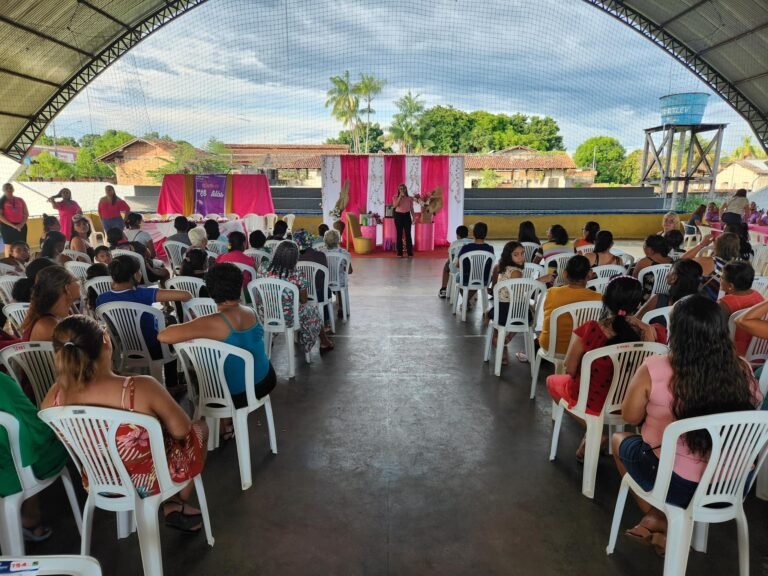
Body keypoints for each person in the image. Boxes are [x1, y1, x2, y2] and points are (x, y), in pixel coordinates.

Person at [613, 295, 762, 555]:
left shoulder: (655, 368)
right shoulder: (743, 369)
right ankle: (661, 520)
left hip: (680, 485)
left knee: (619, 440)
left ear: (676, 332)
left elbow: (630, 416)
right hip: (733, 485)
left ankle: (659, 518)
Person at [41, 315, 209, 533]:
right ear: (106, 342)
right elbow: (182, 430)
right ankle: (175, 501)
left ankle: (171, 503)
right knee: (200, 429)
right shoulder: (139, 388)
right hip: (149, 481)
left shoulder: (54, 396)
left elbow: (54, 432)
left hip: (99, 481)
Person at [547, 276, 666, 460]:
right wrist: (644, 326)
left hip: (591, 400)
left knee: (552, 381)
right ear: (636, 303)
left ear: (606, 299)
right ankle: (593, 435)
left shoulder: (590, 329)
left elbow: (570, 368)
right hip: (626, 402)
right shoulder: (647, 334)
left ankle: (593, 430)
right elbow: (650, 366)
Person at [158, 263, 277, 438]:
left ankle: (223, 421)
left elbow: (164, 336)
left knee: (201, 370)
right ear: (239, 286)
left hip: (240, 393)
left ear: (210, 290)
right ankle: (226, 421)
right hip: (265, 379)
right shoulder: (250, 311)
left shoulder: (211, 322)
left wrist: (194, 326)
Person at [96, 255, 191, 388]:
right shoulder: (143, 293)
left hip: (125, 346)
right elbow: (186, 295)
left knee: (168, 321)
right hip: (154, 348)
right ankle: (172, 384)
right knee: (171, 325)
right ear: (136, 275)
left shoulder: (101, 299)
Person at [0, 371, 69, 542]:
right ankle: (30, 516)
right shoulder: (2, 384)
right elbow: (37, 431)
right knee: (56, 440)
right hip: (9, 476)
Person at [255, 241, 334, 353]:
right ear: (295, 258)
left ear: (276, 253)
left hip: (265, 314)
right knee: (313, 311)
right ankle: (324, 342)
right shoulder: (297, 275)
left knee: (301, 310)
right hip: (288, 318)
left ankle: (270, 337)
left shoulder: (262, 268)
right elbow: (304, 300)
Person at [538, 255, 603, 356]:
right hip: (582, 349)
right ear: (590, 274)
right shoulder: (599, 298)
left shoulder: (552, 292)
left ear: (565, 273)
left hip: (551, 345)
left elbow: (547, 316)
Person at [487, 241, 527, 364]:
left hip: (500, 308)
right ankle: (506, 339)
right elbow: (522, 291)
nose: (520, 257)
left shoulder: (502, 267)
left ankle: (500, 341)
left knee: (500, 327)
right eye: (516, 254)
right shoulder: (516, 272)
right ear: (509, 256)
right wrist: (541, 281)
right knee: (528, 316)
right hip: (511, 310)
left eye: (522, 253)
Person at [21, 265, 80, 341]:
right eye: (76, 280)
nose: (79, 283)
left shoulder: (65, 312)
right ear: (67, 288)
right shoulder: (50, 326)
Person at [718, 261, 764, 355]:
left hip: (733, 353)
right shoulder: (758, 296)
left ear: (731, 286)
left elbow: (716, 332)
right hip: (758, 350)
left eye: (722, 277)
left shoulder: (724, 304)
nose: (720, 279)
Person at [636, 259, 703, 322]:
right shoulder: (701, 306)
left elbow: (636, 321)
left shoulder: (658, 300)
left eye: (670, 270)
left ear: (674, 278)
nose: (667, 273)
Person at [682, 232, 740, 300]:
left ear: (716, 246)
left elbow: (681, 262)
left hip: (702, 303)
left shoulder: (709, 262)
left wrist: (702, 244)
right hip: (722, 305)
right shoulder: (737, 268)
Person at [455, 222, 494, 309]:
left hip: (466, 278)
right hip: (484, 279)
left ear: (473, 233)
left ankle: (466, 301)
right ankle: (467, 301)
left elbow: (458, 265)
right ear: (486, 234)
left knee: (459, 278)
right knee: (478, 279)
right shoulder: (490, 249)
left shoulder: (466, 248)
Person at [632, 235, 673, 300]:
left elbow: (634, 279)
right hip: (667, 298)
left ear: (650, 249)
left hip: (646, 298)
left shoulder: (644, 262)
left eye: (645, 246)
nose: (643, 248)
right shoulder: (671, 260)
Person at [439, 225, 472, 298]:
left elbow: (451, 256)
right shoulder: (472, 242)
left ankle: (443, 289)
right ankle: (472, 296)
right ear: (467, 234)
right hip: (470, 268)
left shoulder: (454, 243)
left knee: (446, 267)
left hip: (456, 269)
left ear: (457, 235)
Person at [0, 183, 28, 256]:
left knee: (21, 245)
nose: (9, 189)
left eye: (10, 187)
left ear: (13, 189)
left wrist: (21, 225)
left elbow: (26, 214)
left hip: (21, 226)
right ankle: (9, 264)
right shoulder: (2, 201)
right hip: (7, 227)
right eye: (7, 188)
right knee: (9, 246)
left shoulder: (20, 200)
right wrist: (13, 226)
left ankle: (21, 260)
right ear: (3, 190)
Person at [393, 184, 415, 258]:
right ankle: (399, 253)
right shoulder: (395, 197)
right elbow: (395, 206)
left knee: (408, 234)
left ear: (406, 189)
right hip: (398, 216)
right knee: (399, 234)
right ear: (399, 190)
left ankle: (410, 252)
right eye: (400, 189)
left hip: (407, 216)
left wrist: (414, 218)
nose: (402, 190)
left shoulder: (410, 198)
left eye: (403, 188)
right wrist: (400, 196)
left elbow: (411, 209)